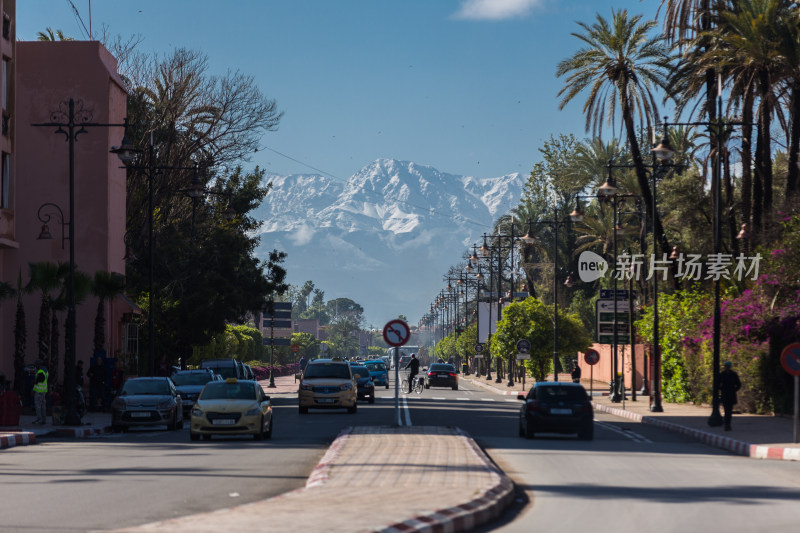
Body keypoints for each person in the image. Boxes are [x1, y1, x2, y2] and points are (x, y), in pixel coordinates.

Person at [718, 360, 742, 431]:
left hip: (731, 395)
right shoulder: (722, 374)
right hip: (725, 394)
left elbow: (738, 384)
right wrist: (722, 389)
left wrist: (734, 389)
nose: (727, 368)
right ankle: (726, 424)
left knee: (729, 410)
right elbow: (718, 384)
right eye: (726, 366)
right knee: (726, 410)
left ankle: (728, 423)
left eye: (728, 366)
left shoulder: (733, 374)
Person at [32, 360, 49, 424]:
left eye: (36, 364)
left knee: (38, 406)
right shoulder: (46, 371)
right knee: (43, 406)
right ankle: (43, 419)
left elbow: (40, 380)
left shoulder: (40, 371)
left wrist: (34, 382)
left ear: (39, 365)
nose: (35, 366)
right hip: (44, 391)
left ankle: (39, 419)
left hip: (39, 391)